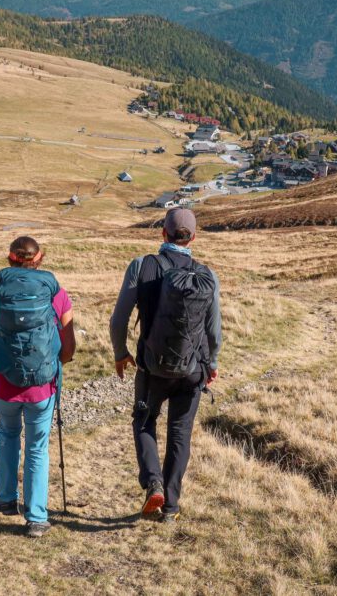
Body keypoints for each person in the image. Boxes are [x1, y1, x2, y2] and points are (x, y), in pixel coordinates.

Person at [110, 208, 222, 522]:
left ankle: (153, 483)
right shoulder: (206, 275)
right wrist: (211, 363)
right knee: (180, 434)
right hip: (192, 369)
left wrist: (121, 353)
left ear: (163, 234)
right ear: (193, 238)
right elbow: (214, 330)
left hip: (152, 367)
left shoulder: (141, 266)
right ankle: (170, 507)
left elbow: (118, 320)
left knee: (144, 421)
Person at [0, 236, 76, 538]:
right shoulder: (57, 296)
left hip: (3, 384)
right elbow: (69, 348)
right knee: (36, 446)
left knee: (7, 432)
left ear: (10, 257)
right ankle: (36, 517)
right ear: (39, 257)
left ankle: (6, 499)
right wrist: (53, 363)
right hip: (42, 386)